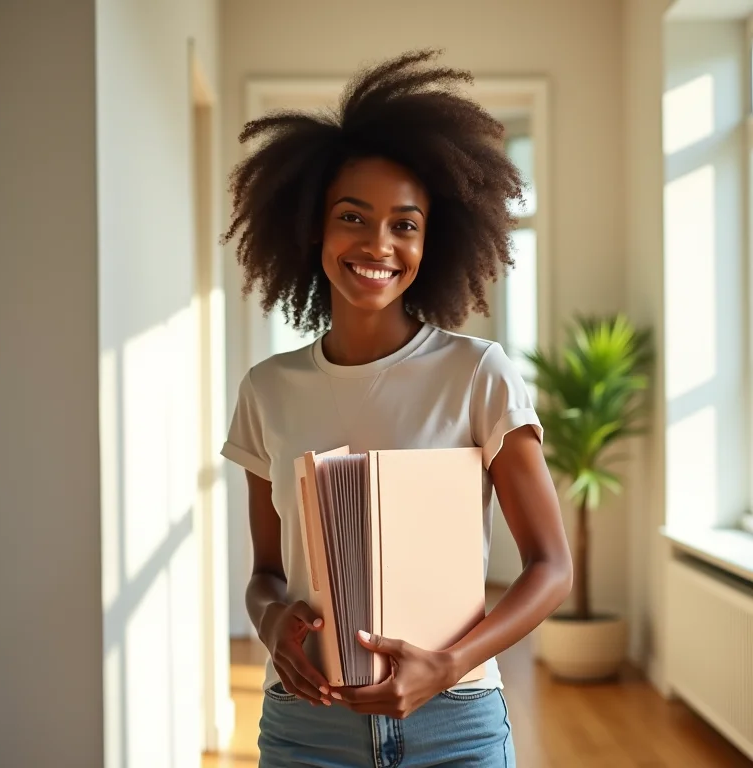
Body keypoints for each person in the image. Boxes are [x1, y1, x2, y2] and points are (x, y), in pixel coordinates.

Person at [220, 48, 572, 768]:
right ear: (312, 228)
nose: (378, 244)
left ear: (431, 240)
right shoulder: (268, 389)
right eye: (353, 217)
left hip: (456, 722)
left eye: (404, 225)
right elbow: (265, 575)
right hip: (307, 724)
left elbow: (551, 567)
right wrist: (273, 619)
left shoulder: (479, 373)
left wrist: (447, 664)